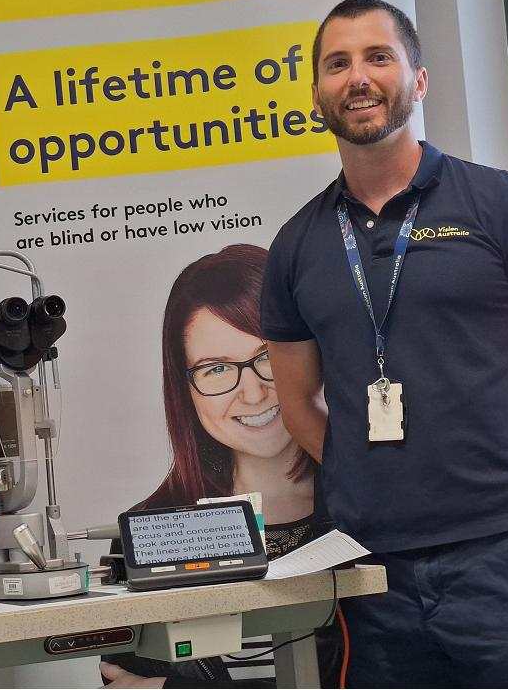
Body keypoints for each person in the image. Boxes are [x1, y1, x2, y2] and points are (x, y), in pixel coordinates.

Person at [259, 0, 508, 688]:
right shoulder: (297, 245)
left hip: (502, 557)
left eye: (378, 57)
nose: (357, 76)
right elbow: (297, 403)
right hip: (368, 568)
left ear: (418, 81)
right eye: (338, 63)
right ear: (318, 94)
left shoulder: (500, 204)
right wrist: (369, 470)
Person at [100, 244, 345, 689]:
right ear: (184, 388)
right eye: (215, 369)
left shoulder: (372, 509)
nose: (252, 394)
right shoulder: (148, 531)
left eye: (268, 356)